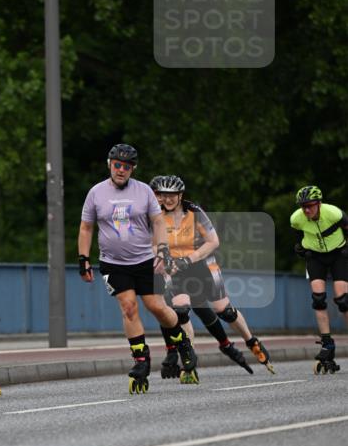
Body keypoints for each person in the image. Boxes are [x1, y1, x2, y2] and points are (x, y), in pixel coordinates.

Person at [78, 143, 199, 393]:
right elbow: (86, 227)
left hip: (145, 260)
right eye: (117, 165)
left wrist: (164, 250)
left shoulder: (143, 191)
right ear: (109, 164)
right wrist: (83, 258)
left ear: (133, 169)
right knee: (129, 307)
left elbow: (157, 221)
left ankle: (182, 342)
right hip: (113, 263)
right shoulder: (96, 193)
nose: (121, 170)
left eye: (127, 166)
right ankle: (141, 360)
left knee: (156, 307)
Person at [149, 175, 274, 377]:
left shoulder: (195, 212)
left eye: (173, 195)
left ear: (180, 195)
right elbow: (152, 243)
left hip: (202, 264)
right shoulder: (157, 216)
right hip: (176, 268)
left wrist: (189, 259)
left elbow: (213, 241)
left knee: (224, 311)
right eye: (164, 195)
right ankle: (189, 361)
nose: (169, 199)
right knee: (180, 311)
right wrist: (162, 256)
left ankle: (251, 341)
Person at [290, 185, 348, 374]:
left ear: (319, 204)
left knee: (343, 300)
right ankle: (327, 343)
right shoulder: (296, 218)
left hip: (339, 253)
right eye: (303, 206)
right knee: (318, 299)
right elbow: (298, 233)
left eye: (310, 206)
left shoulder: (333, 213)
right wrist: (300, 246)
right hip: (315, 256)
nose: (306, 210)